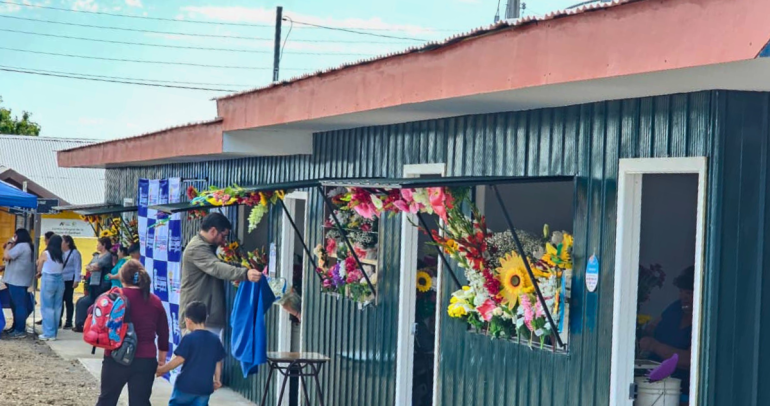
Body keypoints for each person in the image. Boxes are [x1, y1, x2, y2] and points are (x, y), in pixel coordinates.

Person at [96, 259, 169, 406]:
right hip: (145, 358)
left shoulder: (114, 296)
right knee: (140, 402)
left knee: (107, 400)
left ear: (122, 278)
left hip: (115, 355)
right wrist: (161, 361)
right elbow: (163, 333)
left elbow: (93, 313)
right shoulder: (155, 301)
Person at [180, 213, 262, 337]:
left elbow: (220, 264)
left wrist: (244, 267)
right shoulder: (196, 248)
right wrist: (245, 273)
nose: (223, 242)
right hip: (198, 319)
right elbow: (216, 267)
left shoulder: (206, 247)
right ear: (213, 231)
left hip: (204, 318)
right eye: (223, 236)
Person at [639, 265, 694, 400]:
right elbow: (653, 326)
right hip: (652, 383)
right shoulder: (676, 308)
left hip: (680, 392)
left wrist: (655, 346)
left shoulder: (703, 321)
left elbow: (690, 360)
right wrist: (644, 331)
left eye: (688, 293)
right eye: (681, 291)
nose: (683, 297)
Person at [156, 301, 225, 406]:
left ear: (188, 321)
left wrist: (162, 369)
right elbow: (218, 361)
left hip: (185, 386)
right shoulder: (215, 339)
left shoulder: (189, 338)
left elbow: (178, 360)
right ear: (205, 319)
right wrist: (217, 379)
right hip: (204, 388)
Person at [2, 229, 35, 338]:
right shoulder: (28, 246)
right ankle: (16, 327)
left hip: (16, 281)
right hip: (21, 281)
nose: (13, 238)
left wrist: (8, 246)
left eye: (14, 236)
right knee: (16, 306)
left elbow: (6, 256)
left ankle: (19, 330)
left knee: (19, 306)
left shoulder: (22, 246)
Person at [37, 234, 65, 341]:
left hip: (48, 279)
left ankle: (48, 333)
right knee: (57, 307)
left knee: (47, 307)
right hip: (60, 279)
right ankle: (54, 333)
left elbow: (39, 268)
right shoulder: (62, 254)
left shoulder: (46, 253)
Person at [60, 235, 82, 329]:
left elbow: (77, 267)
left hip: (69, 279)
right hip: (60, 279)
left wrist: (76, 280)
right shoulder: (60, 253)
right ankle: (59, 319)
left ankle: (69, 321)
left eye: (62, 241)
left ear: (68, 243)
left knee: (68, 300)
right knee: (59, 300)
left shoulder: (74, 253)